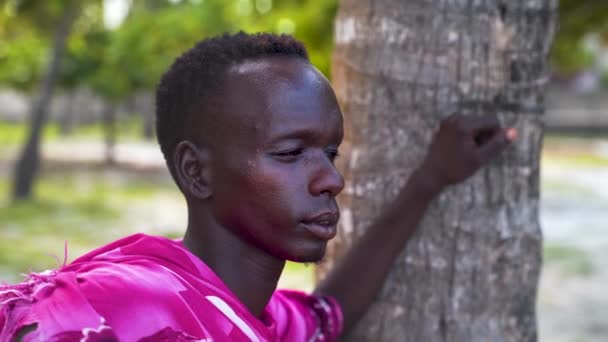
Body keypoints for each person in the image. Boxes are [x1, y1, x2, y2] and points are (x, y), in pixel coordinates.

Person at [0, 32, 516, 341]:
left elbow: (327, 314)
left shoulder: (251, 313)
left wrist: (429, 181)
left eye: (330, 153)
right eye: (291, 153)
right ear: (196, 172)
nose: (330, 180)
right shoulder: (130, 303)